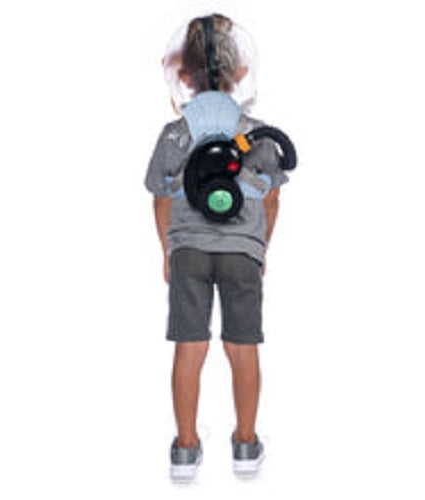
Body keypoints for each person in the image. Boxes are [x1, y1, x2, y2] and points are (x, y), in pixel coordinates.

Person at [145, 13, 293, 480]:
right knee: (241, 345)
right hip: (242, 253)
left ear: (182, 75)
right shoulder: (258, 135)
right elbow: (271, 198)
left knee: (190, 346)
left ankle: (185, 448)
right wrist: (259, 246)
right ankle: (246, 444)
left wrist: (168, 251)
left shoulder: (174, 135)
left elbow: (161, 198)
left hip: (188, 251)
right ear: (242, 70)